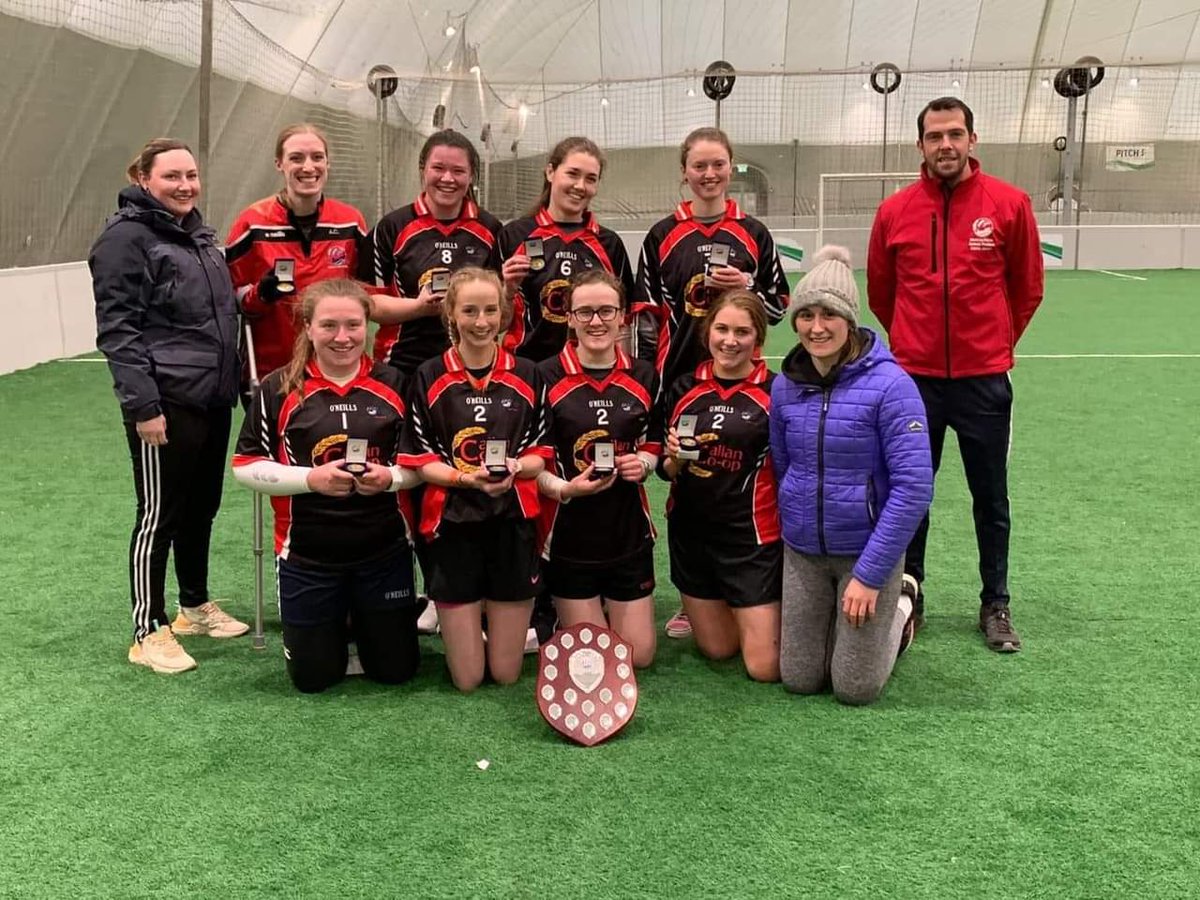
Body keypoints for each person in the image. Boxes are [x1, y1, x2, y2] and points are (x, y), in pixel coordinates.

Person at [867, 97, 1044, 652]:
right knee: (910, 492)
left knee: (990, 496)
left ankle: (996, 602)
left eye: (955, 134)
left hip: (984, 381)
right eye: (935, 136)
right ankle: (907, 594)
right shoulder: (894, 211)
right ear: (920, 145)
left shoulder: (1010, 205)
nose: (946, 144)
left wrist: (991, 344)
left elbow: (1027, 288)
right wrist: (912, 343)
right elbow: (881, 291)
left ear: (972, 140)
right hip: (913, 382)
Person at [90, 138, 245, 675]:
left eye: (191, 175)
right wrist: (143, 405)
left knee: (201, 507)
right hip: (165, 404)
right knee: (159, 514)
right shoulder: (125, 239)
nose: (185, 185)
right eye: (172, 176)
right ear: (143, 178)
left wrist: (255, 296)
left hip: (211, 398)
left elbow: (209, 314)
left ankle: (193, 606)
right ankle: (147, 629)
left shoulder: (198, 236)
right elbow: (118, 329)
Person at [231, 279, 421, 693]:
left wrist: (389, 479)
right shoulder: (278, 388)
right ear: (308, 327)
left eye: (353, 325)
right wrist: (310, 479)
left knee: (395, 672)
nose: (342, 337)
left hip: (384, 553)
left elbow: (419, 466)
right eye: (329, 325)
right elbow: (245, 466)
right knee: (314, 680)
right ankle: (336, 629)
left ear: (367, 326)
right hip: (307, 557)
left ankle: (365, 624)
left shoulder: (396, 384)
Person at [637, 127, 790, 639]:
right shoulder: (662, 236)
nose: (709, 174)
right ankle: (696, 591)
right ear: (685, 172)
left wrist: (747, 286)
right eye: (699, 165)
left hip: (743, 379)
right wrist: (646, 378)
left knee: (743, 472)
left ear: (730, 169)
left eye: (718, 164)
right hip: (682, 380)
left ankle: (748, 583)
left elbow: (778, 307)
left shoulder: (754, 233)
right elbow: (646, 316)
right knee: (687, 470)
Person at [771, 246, 933, 704]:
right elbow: (784, 464)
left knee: (853, 689)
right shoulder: (785, 385)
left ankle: (902, 607)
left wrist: (871, 574)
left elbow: (914, 487)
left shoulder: (892, 386)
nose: (816, 327)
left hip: (866, 554)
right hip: (803, 552)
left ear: (850, 320)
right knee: (800, 679)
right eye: (806, 315)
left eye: (829, 315)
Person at [397, 268, 550, 692]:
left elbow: (541, 453)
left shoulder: (528, 373)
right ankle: (467, 625)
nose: (481, 321)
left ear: (504, 313)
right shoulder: (428, 375)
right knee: (467, 679)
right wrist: (467, 479)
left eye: (490, 310)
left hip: (513, 518)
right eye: (469, 310)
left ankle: (495, 626)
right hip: (452, 523)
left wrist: (518, 467)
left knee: (504, 675)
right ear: (451, 314)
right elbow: (420, 461)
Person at [535, 270, 661, 667]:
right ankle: (556, 614)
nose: (596, 321)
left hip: (628, 531)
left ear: (623, 315)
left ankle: (605, 609)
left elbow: (655, 442)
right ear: (569, 317)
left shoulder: (643, 374)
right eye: (585, 312)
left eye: (606, 310)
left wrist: (642, 463)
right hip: (570, 534)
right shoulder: (543, 376)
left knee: (637, 657)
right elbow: (532, 461)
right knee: (593, 659)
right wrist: (565, 489)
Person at [657, 291, 782, 681]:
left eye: (742, 332)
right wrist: (674, 456)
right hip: (692, 535)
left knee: (763, 668)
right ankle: (730, 609)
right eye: (722, 328)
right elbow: (665, 471)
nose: (730, 340)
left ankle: (770, 607)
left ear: (757, 338)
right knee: (717, 650)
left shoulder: (777, 391)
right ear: (707, 331)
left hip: (750, 538)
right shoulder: (681, 388)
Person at [225, 123, 369, 386]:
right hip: (271, 372)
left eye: (317, 157)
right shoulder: (252, 223)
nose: (308, 167)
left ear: (328, 162)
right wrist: (262, 294)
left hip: (337, 370)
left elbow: (367, 292)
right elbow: (229, 298)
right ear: (279, 163)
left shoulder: (350, 223)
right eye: (296, 158)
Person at [360, 130, 504, 376]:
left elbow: (500, 310)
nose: (447, 178)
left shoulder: (491, 230)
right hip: (402, 364)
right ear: (422, 169)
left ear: (471, 176)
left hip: (472, 364)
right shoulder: (391, 228)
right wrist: (419, 307)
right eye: (438, 168)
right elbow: (368, 305)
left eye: (458, 171)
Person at [499, 136, 636, 363]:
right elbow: (494, 325)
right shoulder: (514, 236)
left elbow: (623, 323)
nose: (580, 186)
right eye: (572, 174)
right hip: (527, 371)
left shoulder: (609, 244)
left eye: (590, 179)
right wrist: (508, 291)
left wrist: (623, 375)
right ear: (550, 172)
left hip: (589, 377)